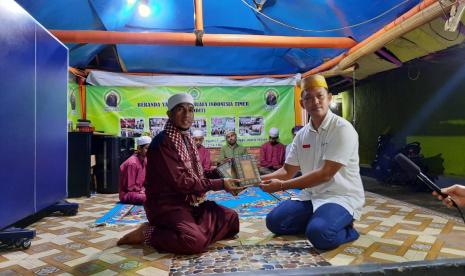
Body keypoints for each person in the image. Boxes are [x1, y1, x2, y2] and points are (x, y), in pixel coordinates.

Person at [117, 93, 244, 254]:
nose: (187, 115)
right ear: (169, 114)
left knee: (232, 220)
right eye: (180, 109)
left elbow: (196, 174)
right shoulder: (163, 142)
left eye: (191, 110)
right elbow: (182, 182)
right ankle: (147, 233)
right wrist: (221, 183)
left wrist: (220, 171)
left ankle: (192, 228)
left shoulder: (187, 139)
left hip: (190, 202)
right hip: (166, 206)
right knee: (193, 242)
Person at [259, 74, 365, 251]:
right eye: (308, 98)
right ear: (303, 104)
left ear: (329, 98)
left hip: (340, 197)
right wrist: (254, 180)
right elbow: (287, 170)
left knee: (320, 235)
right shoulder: (301, 136)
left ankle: (348, 230)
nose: (315, 102)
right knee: (274, 223)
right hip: (311, 196)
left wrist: (282, 186)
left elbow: (326, 174)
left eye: (320, 96)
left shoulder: (342, 129)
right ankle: (318, 221)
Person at [118, 136, 151, 205]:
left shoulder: (145, 160)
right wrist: (143, 190)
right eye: (147, 148)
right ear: (139, 149)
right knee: (148, 198)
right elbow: (130, 187)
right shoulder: (132, 163)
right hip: (128, 194)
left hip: (141, 191)